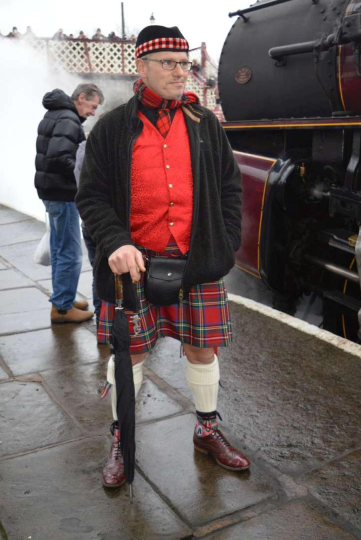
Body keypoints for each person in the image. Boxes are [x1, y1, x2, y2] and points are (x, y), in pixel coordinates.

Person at [76, 25, 249, 490]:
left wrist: (224, 241)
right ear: (142, 66)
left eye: (184, 62)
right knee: (127, 353)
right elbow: (90, 197)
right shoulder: (112, 127)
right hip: (132, 266)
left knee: (202, 347)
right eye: (169, 63)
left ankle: (207, 430)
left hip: (198, 263)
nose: (181, 71)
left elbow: (231, 188)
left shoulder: (205, 123)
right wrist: (114, 243)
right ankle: (121, 436)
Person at [35, 83, 104, 324]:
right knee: (70, 253)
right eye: (93, 106)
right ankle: (63, 308)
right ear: (81, 98)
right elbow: (59, 158)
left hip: (50, 190)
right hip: (62, 194)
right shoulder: (69, 119)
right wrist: (85, 174)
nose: (93, 112)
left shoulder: (56, 113)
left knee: (58, 248)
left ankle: (62, 298)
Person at [74, 140, 102, 326]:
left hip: (89, 221)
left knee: (99, 274)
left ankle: (103, 324)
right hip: (108, 224)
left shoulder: (84, 147)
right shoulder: (108, 148)